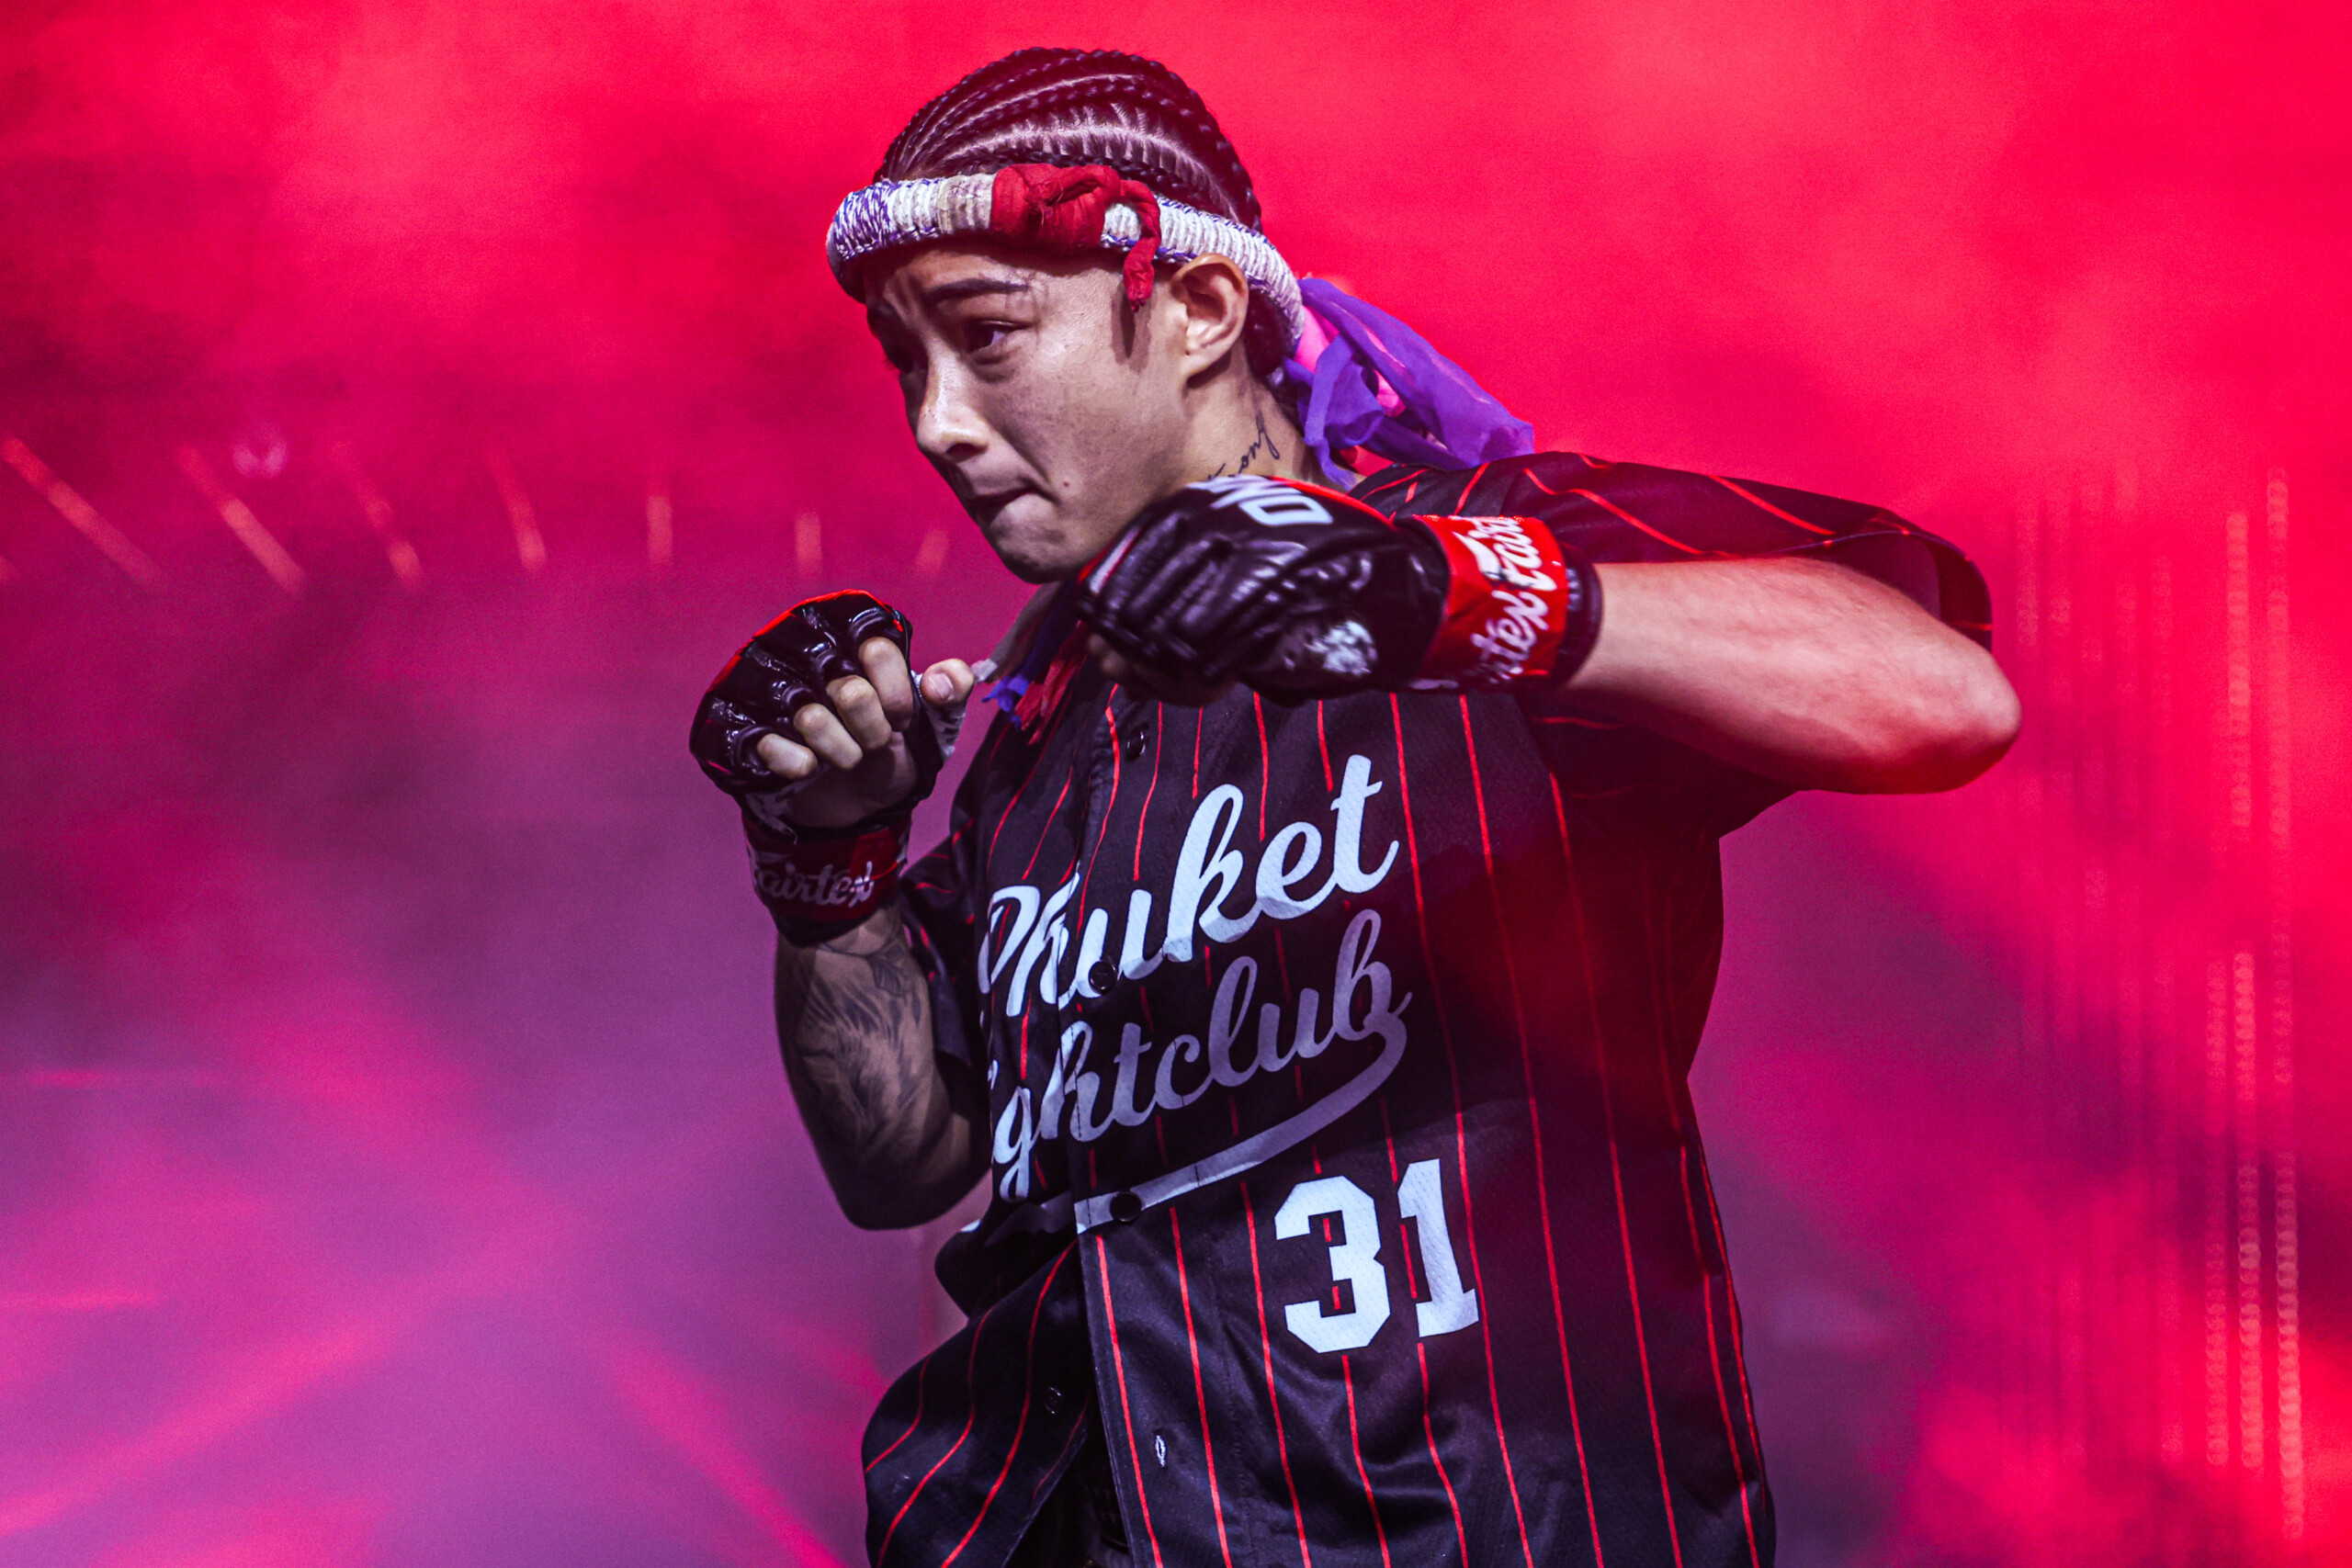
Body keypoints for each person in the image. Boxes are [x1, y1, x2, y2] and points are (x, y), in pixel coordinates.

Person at [689, 47, 2018, 1568]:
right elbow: (905, 1163)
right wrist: (826, 864)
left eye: (988, 338)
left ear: (1190, 311)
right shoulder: (1032, 738)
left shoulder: (1480, 547)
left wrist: (1450, 597)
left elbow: (1939, 693)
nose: (935, 421)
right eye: (904, 363)